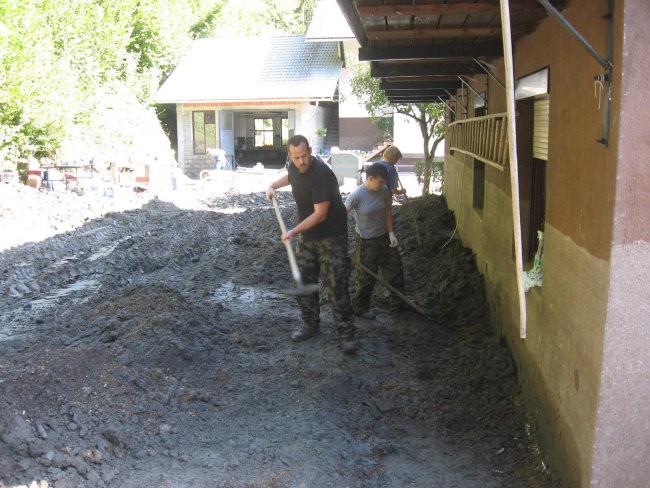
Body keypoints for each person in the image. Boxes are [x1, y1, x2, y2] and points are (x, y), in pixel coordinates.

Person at [266, 135, 358, 354]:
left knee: (336, 285)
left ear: (311, 150)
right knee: (304, 281)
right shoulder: (294, 165)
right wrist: (272, 186)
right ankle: (310, 325)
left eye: (304, 156)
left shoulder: (322, 174)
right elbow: (291, 177)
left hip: (331, 236)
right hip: (308, 236)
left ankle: (347, 334)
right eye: (296, 157)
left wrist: (293, 231)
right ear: (290, 155)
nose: (301, 162)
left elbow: (320, 214)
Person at [345, 163, 406, 318]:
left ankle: (398, 305)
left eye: (384, 181)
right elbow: (340, 215)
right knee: (366, 277)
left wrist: (391, 233)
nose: (383, 184)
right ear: (370, 179)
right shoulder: (357, 195)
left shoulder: (384, 191)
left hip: (385, 238)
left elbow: (387, 212)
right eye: (380, 181)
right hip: (366, 242)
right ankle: (360, 307)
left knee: (395, 269)